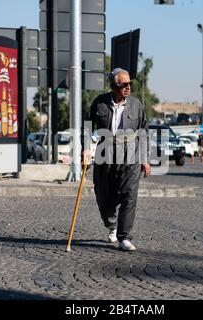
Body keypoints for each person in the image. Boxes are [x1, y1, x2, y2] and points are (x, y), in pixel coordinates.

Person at [82, 68, 151, 252]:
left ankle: (124, 236)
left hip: (130, 155)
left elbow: (144, 131)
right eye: (124, 84)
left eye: (130, 84)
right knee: (104, 196)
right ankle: (111, 225)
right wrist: (86, 148)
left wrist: (145, 159)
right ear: (114, 86)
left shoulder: (136, 105)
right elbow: (88, 127)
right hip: (105, 155)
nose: (128, 87)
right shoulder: (99, 103)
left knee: (129, 195)